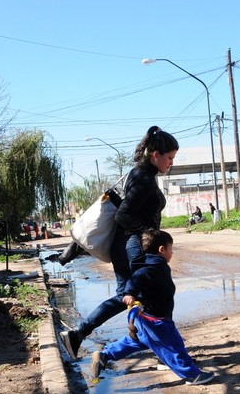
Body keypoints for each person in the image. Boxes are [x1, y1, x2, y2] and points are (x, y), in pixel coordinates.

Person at [59, 126, 179, 359]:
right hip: (133, 246)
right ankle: (161, 349)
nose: (171, 163)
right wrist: (149, 235)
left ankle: (83, 335)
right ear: (156, 155)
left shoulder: (140, 174)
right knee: (149, 296)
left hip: (126, 245)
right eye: (170, 158)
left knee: (128, 296)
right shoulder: (144, 178)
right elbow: (123, 215)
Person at [90, 229, 215, 385]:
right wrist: (129, 293)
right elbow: (136, 279)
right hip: (156, 320)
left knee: (135, 342)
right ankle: (191, 375)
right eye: (170, 249)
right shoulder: (152, 268)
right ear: (161, 250)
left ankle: (104, 355)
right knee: (174, 345)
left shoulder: (154, 265)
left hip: (146, 318)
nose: (172, 252)